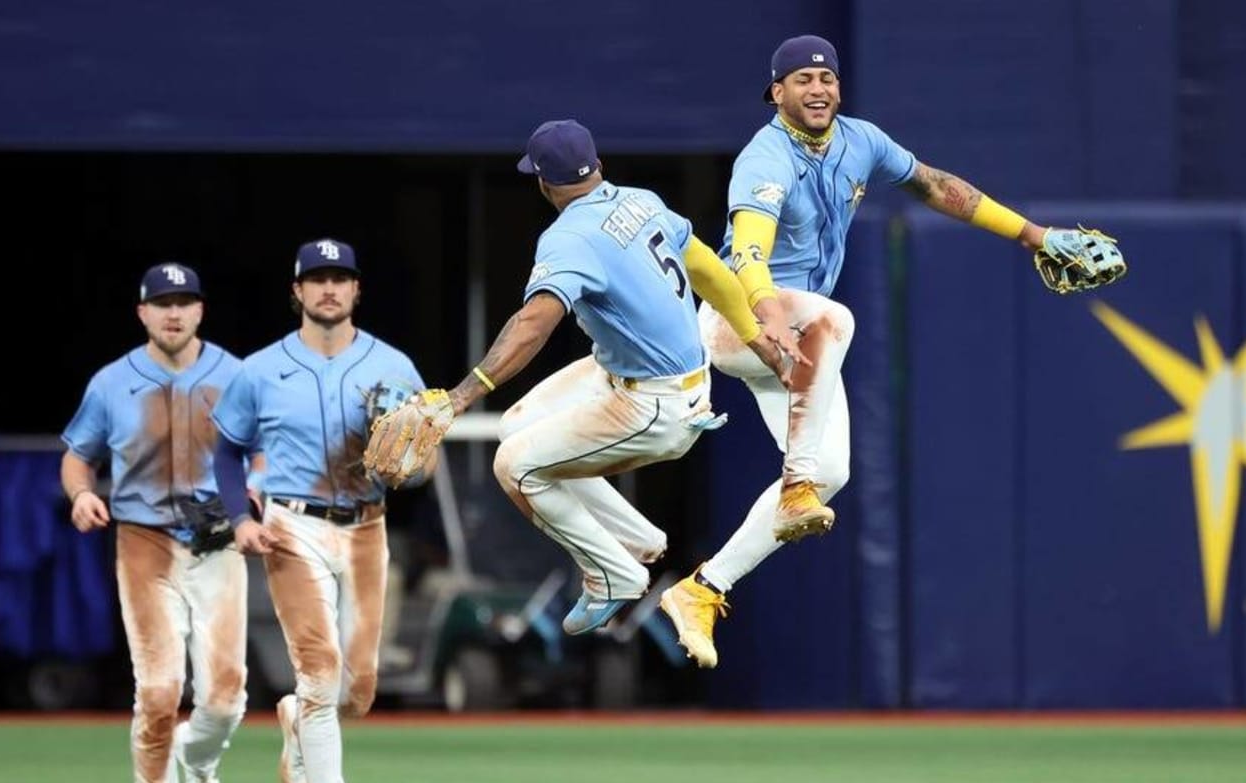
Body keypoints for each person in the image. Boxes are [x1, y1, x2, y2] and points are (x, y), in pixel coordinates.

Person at [666, 35, 1126, 668]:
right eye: (802, 80)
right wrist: (764, 310)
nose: (818, 88)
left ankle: (702, 588)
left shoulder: (862, 141)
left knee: (834, 473)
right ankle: (795, 484)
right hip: (739, 318)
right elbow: (747, 248)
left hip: (796, 336)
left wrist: (1033, 234)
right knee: (837, 318)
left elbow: (935, 186)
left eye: (826, 78)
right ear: (776, 93)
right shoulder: (764, 159)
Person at [377, 119, 800, 641]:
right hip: (645, 376)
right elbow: (710, 269)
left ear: (543, 183)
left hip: (655, 408)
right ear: (597, 166)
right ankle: (637, 539)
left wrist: (461, 396)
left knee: (515, 467)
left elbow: (534, 323)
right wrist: (756, 336)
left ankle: (613, 576)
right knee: (519, 427)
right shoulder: (641, 200)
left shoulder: (568, 239)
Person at [209, 238, 427, 783]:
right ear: (297, 292)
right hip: (292, 526)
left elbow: (421, 462)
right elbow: (226, 452)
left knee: (357, 691)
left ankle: (297, 720)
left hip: (366, 527)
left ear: (357, 291)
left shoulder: (394, 367)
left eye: (341, 279)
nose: (329, 289)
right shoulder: (258, 370)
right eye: (317, 279)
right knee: (319, 670)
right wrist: (238, 520)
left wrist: (414, 461)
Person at [59, 262, 251, 783]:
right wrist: (81, 494)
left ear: (200, 310)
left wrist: (261, 499)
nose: (174, 312)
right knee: (160, 690)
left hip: (216, 539)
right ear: (142, 312)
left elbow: (268, 449)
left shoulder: (236, 375)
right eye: (162, 302)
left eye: (185, 301)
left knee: (224, 694)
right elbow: (77, 455)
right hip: (144, 540)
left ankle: (200, 763)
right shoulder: (112, 381)